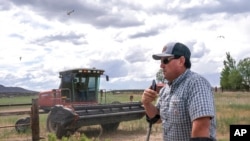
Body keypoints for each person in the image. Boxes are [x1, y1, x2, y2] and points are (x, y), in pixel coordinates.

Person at [141, 42, 216, 141]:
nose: (161, 65)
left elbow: (201, 129)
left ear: (181, 61)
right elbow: (157, 118)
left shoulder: (196, 83)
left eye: (165, 60)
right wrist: (146, 103)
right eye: (161, 61)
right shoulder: (165, 90)